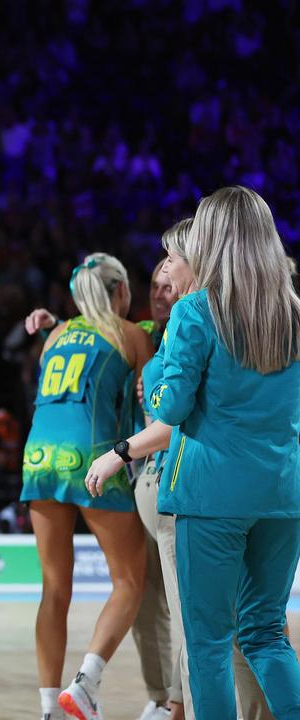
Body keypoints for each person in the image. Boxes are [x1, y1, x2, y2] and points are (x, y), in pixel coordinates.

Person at [84, 186, 300, 719]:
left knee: (206, 644)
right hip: (283, 492)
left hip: (210, 495)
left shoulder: (197, 311)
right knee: (267, 633)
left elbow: (170, 406)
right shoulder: (293, 311)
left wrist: (154, 370)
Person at [27, 257, 178, 719]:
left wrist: (55, 321)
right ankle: (87, 682)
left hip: (37, 458)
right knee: (129, 581)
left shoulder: (54, 336)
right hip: (90, 457)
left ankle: (50, 707)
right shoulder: (130, 334)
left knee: (54, 590)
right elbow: (159, 402)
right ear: (119, 293)